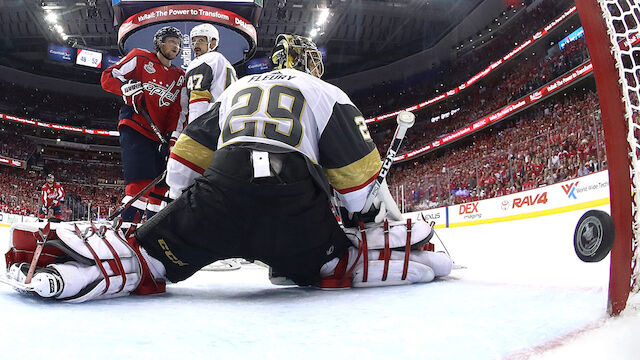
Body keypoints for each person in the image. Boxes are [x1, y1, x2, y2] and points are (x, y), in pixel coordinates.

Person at [4, 34, 452, 302]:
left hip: (220, 196)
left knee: (149, 257)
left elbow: (182, 162)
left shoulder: (233, 92)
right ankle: (350, 260)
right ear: (313, 66)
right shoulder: (326, 92)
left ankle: (65, 275)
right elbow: (358, 190)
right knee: (338, 262)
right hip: (292, 208)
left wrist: (176, 214)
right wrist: (361, 223)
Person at [101, 26, 187, 221]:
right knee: (141, 183)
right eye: (171, 41)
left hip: (160, 137)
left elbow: (178, 111)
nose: (176, 46)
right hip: (136, 126)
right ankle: (124, 227)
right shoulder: (140, 57)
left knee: (161, 187)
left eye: (178, 43)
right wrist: (125, 88)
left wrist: (172, 138)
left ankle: (150, 231)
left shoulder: (180, 76)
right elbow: (108, 77)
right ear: (159, 42)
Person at [183, 23, 241, 271]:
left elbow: (197, 104)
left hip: (207, 132)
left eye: (201, 40)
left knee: (196, 191)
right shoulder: (227, 65)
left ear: (213, 43)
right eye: (193, 39)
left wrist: (190, 137)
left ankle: (200, 248)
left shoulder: (204, 62)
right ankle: (226, 246)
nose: (196, 44)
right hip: (230, 134)